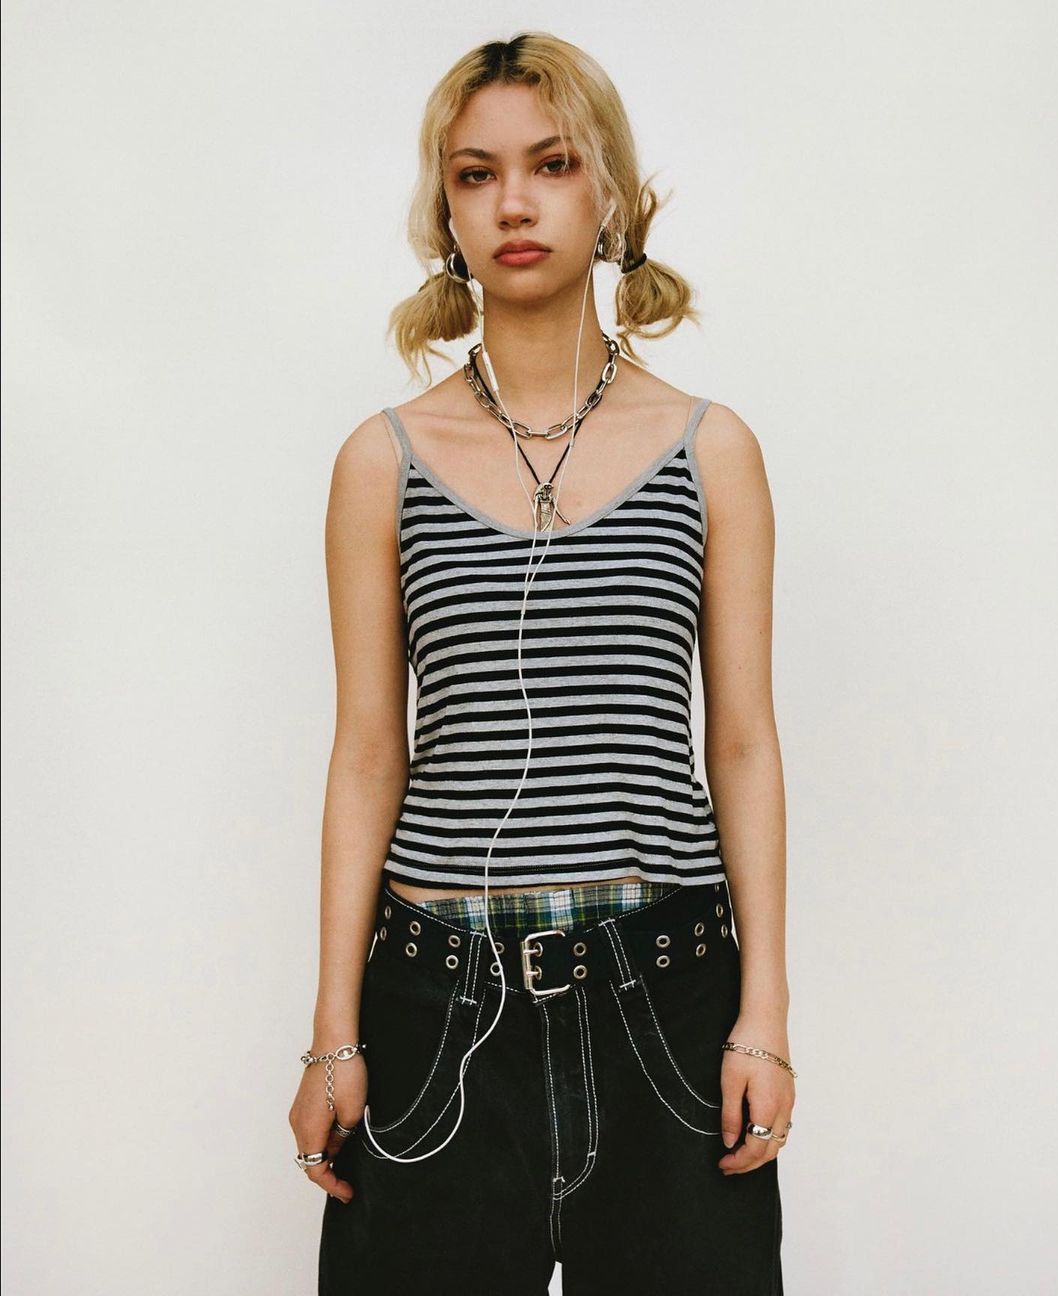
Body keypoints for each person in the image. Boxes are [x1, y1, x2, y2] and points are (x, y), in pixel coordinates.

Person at [290, 31, 794, 1295]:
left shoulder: (710, 451)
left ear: (608, 191)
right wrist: (333, 1035)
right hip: (441, 1014)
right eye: (477, 174)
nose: (514, 203)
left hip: (666, 1003)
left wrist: (766, 1016)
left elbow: (740, 741)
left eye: (552, 164)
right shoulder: (381, 462)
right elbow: (369, 751)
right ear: (446, 211)